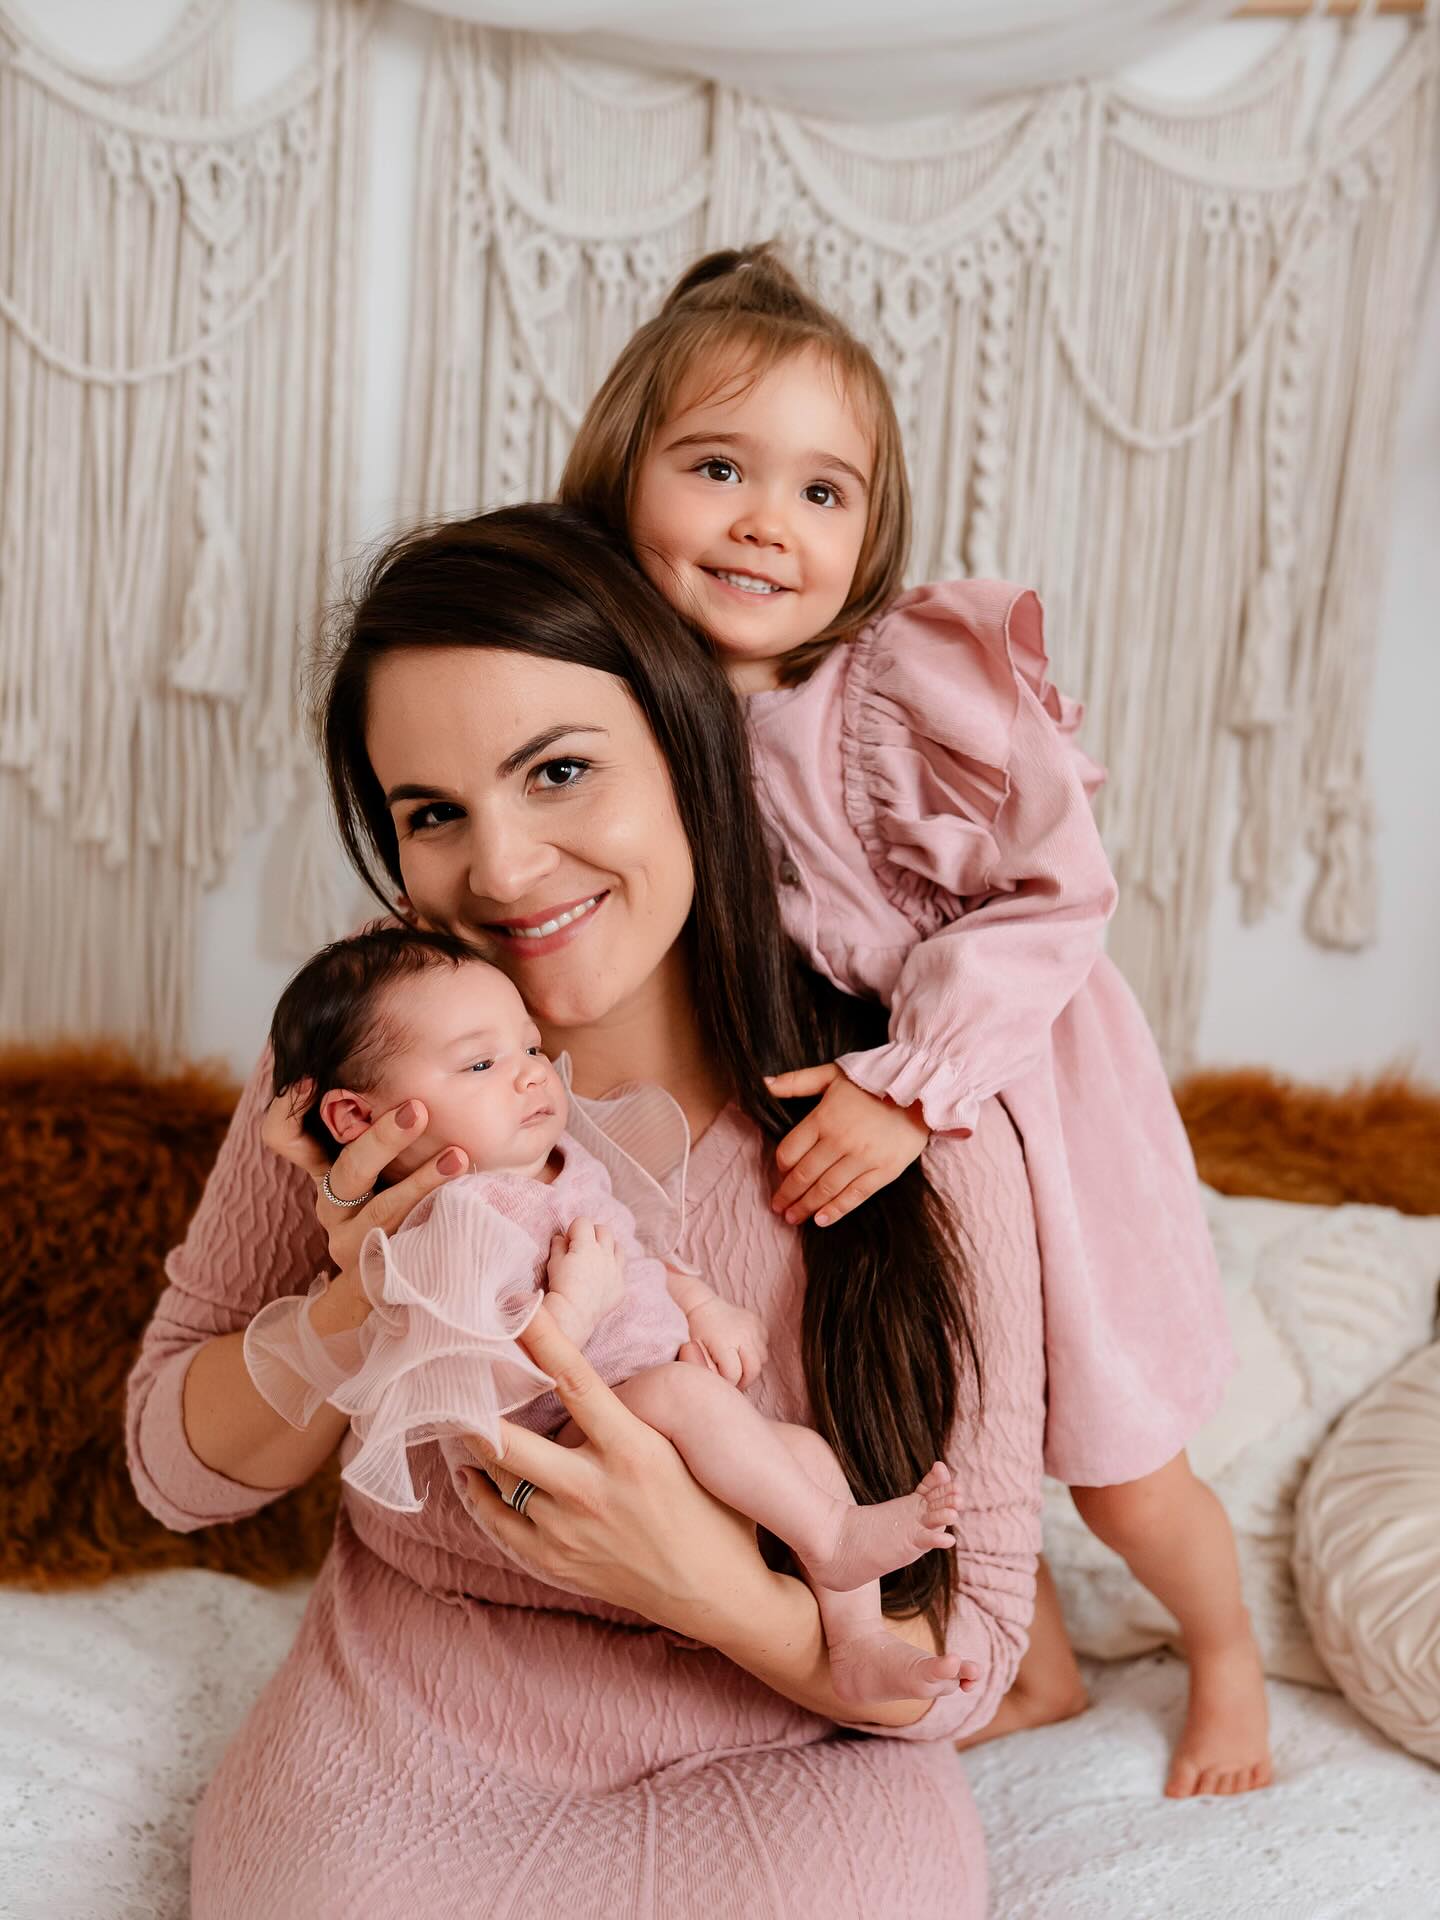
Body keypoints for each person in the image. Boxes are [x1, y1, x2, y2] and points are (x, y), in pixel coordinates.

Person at [126, 503, 1044, 1918]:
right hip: (418, 1732)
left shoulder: (903, 1091)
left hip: (786, 1733)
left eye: (558, 771)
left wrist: (708, 1587)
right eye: (433, 814)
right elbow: (173, 1474)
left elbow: (970, 1651)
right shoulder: (379, 1059)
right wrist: (360, 1305)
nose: (500, 870)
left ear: (690, 752)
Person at [557, 243, 1270, 1800]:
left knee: (1120, 1460)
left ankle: (1227, 1653)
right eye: (719, 469)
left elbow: (1058, 898)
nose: (768, 520)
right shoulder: (623, 711)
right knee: (943, 1418)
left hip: (1017, 1092)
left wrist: (917, 1082)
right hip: (866, 1132)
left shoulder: (895, 693)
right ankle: (1042, 1664)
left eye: (824, 492)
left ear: (870, 531)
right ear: (620, 477)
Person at [247, 923, 973, 1706]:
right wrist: (573, 1307)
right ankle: (830, 1538)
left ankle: (856, 1639)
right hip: (568, 1445)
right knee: (689, 1400)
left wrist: (702, 1305)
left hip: (653, 1411)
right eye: (482, 1064)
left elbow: (632, 1248)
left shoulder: (566, 1159)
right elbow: (471, 1385)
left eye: (530, 1047)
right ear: (358, 1120)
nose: (531, 1075)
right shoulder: (449, 1224)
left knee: (805, 1456)